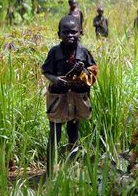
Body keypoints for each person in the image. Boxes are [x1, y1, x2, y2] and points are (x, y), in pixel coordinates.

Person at [42, 16, 98, 174]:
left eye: (73, 32)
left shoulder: (84, 52)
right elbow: (46, 71)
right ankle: (50, 171)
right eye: (65, 32)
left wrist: (82, 71)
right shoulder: (54, 52)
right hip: (58, 98)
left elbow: (93, 74)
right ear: (59, 34)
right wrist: (55, 79)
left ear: (80, 32)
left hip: (77, 98)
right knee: (55, 134)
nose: (70, 35)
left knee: (73, 133)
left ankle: (71, 169)